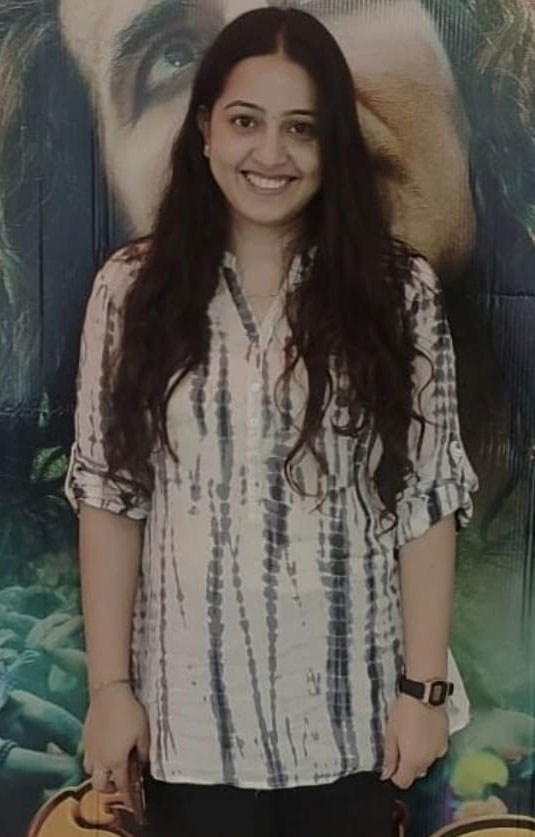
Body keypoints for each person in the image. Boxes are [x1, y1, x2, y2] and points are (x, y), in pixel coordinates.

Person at [65, 8, 478, 837]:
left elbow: (426, 503)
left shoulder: (398, 293)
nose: (270, 153)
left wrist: (422, 691)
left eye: (302, 128)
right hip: (189, 732)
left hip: (353, 726)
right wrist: (110, 692)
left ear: (332, 144)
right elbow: (110, 496)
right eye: (245, 121)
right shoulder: (130, 291)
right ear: (205, 129)